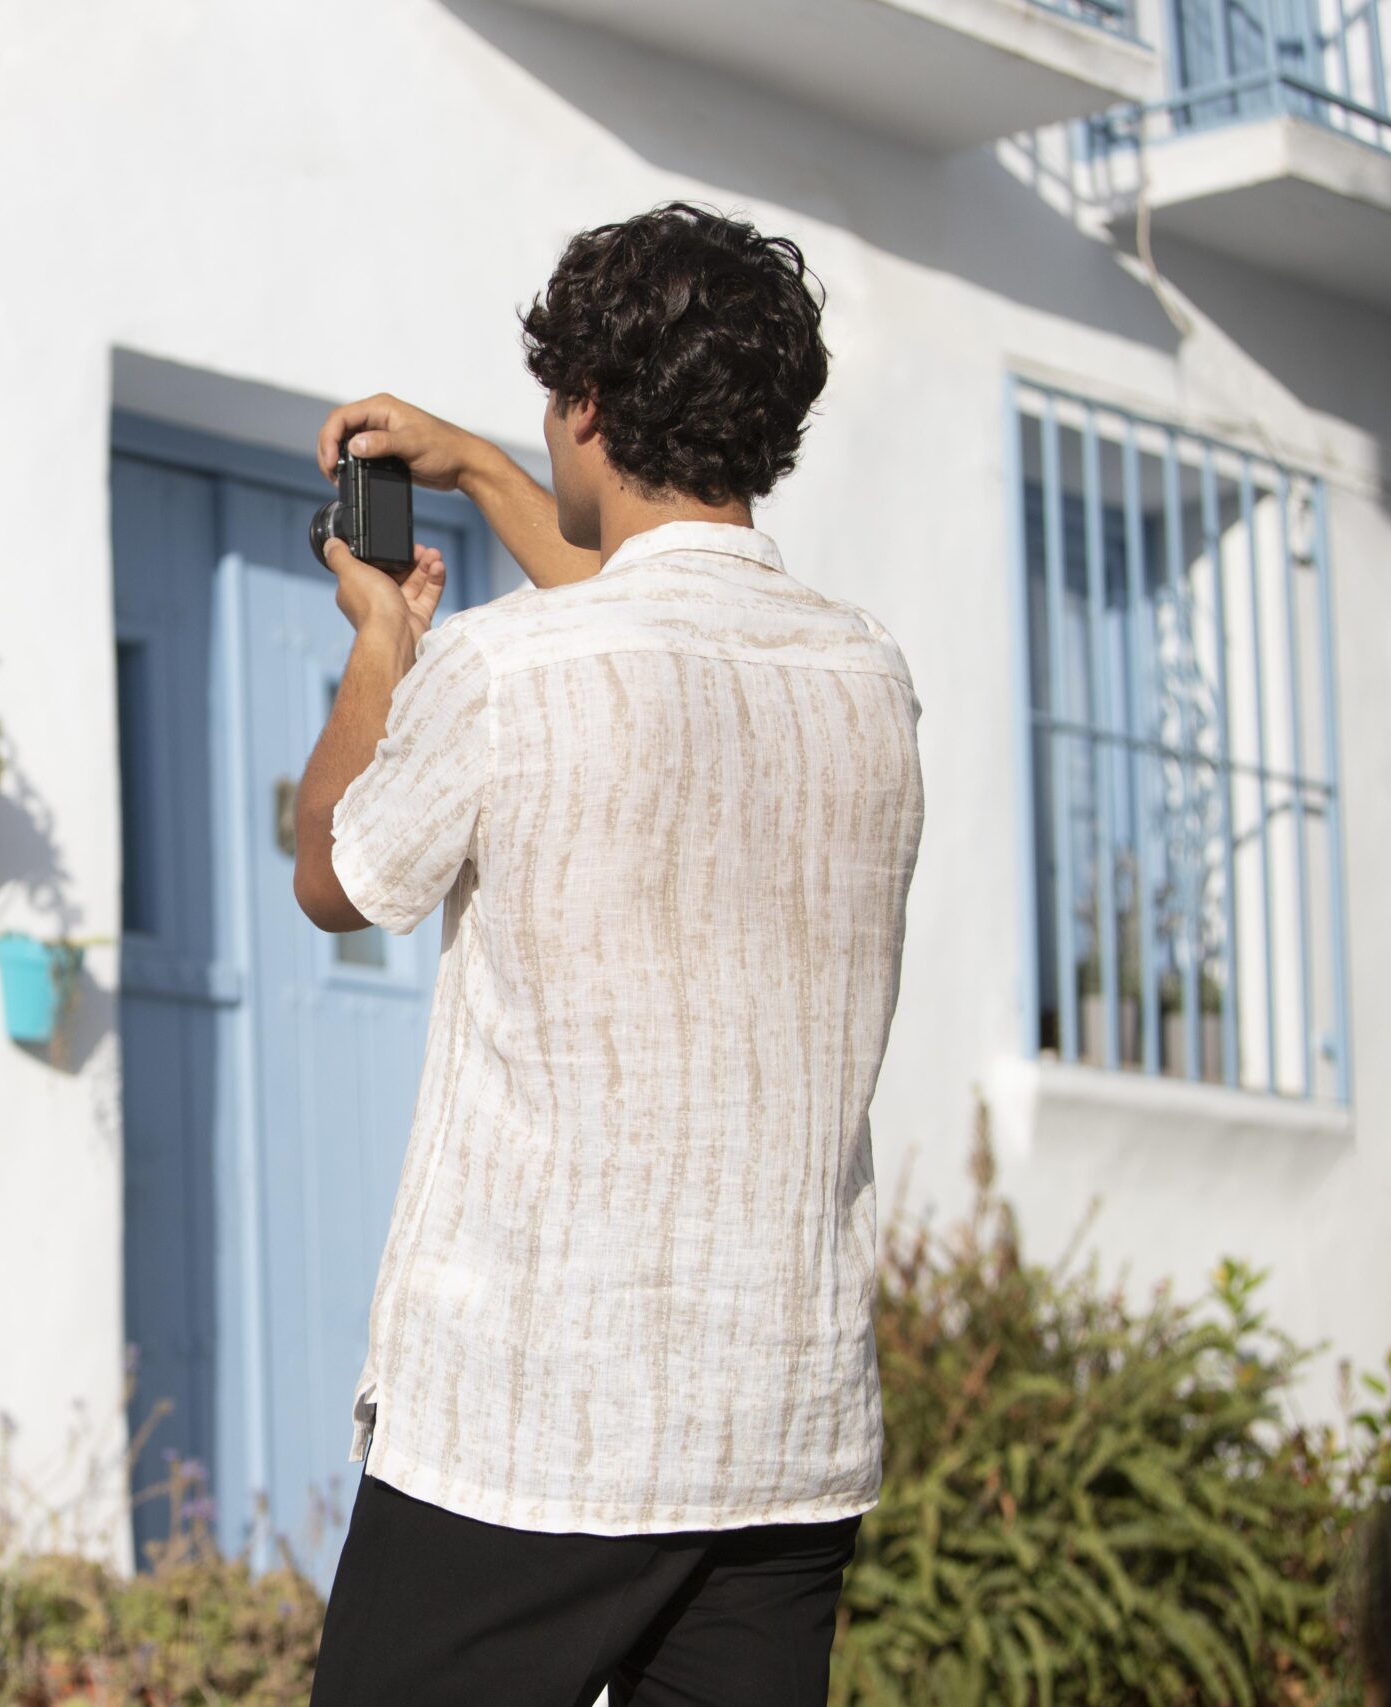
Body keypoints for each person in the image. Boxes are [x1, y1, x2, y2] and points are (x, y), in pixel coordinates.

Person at [293, 202, 925, 1707]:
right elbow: (663, 633)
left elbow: (335, 875)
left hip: (531, 1427)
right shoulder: (869, 680)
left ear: (586, 405)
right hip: (779, 1438)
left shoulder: (512, 670)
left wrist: (383, 645)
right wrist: (490, 473)